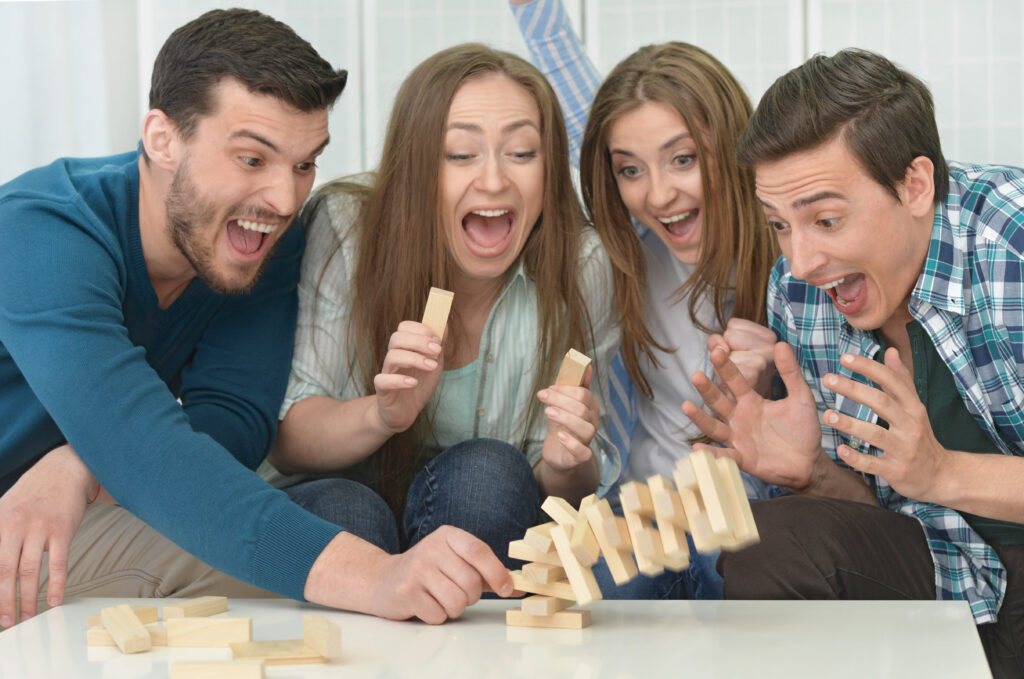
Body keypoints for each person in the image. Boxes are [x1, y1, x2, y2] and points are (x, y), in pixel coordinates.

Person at [0, 9, 512, 630]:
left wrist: (83, 463)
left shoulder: (256, 236)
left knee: (312, 563)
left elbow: (237, 421)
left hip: (70, 504)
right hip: (18, 519)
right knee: (307, 581)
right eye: (251, 159)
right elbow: (146, 448)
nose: (285, 199)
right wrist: (377, 576)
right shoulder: (42, 231)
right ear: (162, 139)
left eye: (304, 164)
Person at [684, 48, 1024, 676]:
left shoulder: (1012, 240)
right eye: (781, 226)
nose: (803, 260)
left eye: (827, 219)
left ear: (914, 186)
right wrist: (811, 474)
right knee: (771, 538)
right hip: (943, 561)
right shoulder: (799, 293)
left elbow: (930, 479)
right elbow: (881, 510)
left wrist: (943, 472)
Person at [264, 42, 621, 579]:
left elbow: (561, 494)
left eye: (523, 153)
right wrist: (382, 415)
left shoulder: (583, 263)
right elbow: (289, 441)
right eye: (461, 154)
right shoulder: (347, 227)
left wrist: (570, 463)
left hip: (483, 509)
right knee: (349, 513)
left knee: (491, 475)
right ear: (416, 167)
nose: (495, 181)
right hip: (340, 495)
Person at [510, 0, 780, 599]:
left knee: (728, 570)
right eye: (631, 170)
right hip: (637, 530)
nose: (659, 195)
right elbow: (581, 102)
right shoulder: (626, 257)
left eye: (682, 160)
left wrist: (767, 394)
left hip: (747, 534)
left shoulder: (795, 266)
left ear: (734, 149)